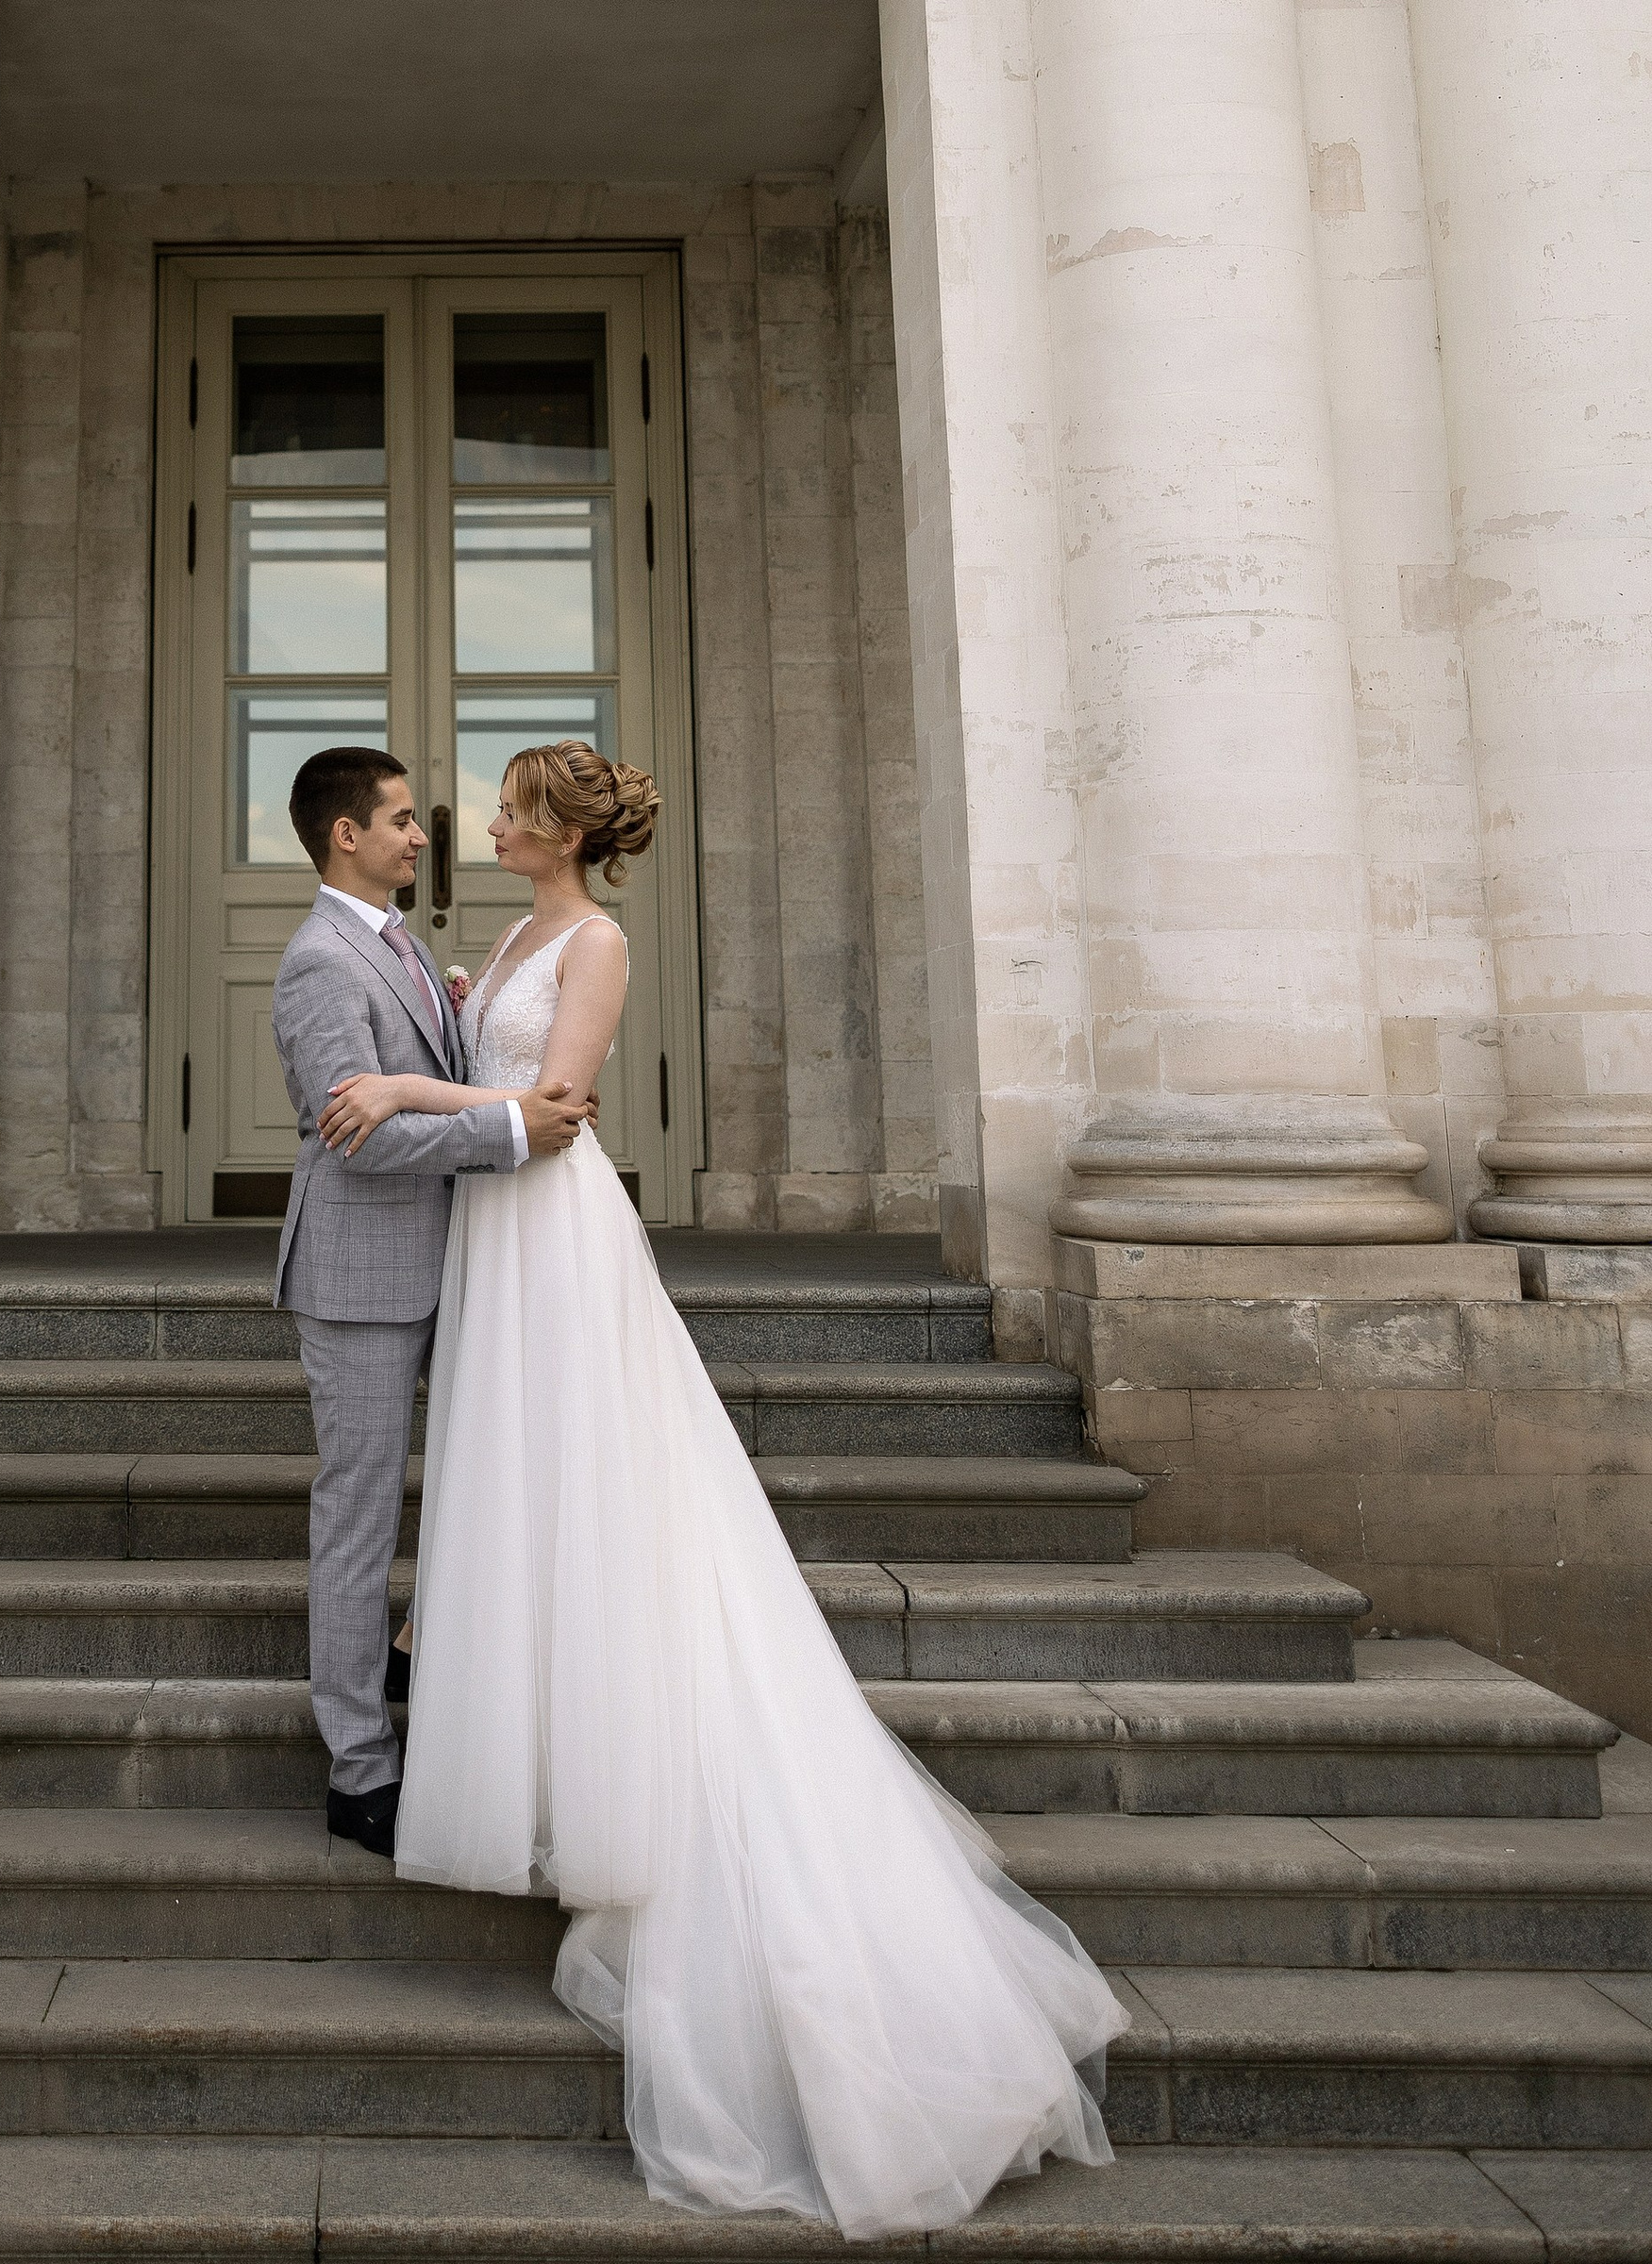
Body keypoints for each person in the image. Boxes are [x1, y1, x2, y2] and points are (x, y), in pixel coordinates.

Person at [316, 737, 1127, 2244]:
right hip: (491, 1236)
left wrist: (394, 1082)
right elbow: (500, 1075)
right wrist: (413, 1075)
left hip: (549, 1232)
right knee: (510, 1485)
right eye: (478, 806)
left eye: (506, 807)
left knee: (591, 1485)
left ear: (560, 829)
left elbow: (556, 1104)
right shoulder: (505, 933)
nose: (483, 823)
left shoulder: (600, 941)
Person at [268, 743, 586, 1861]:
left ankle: (421, 1659)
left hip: (457, 1267)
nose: (421, 835)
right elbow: (360, 1139)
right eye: (401, 820)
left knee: (474, 1490)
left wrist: (454, 1018)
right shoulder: (318, 963)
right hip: (359, 1277)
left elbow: (418, 1074)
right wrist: (512, 1128)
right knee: (357, 1522)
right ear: (345, 835)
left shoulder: (403, 944)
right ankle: (358, 1770)